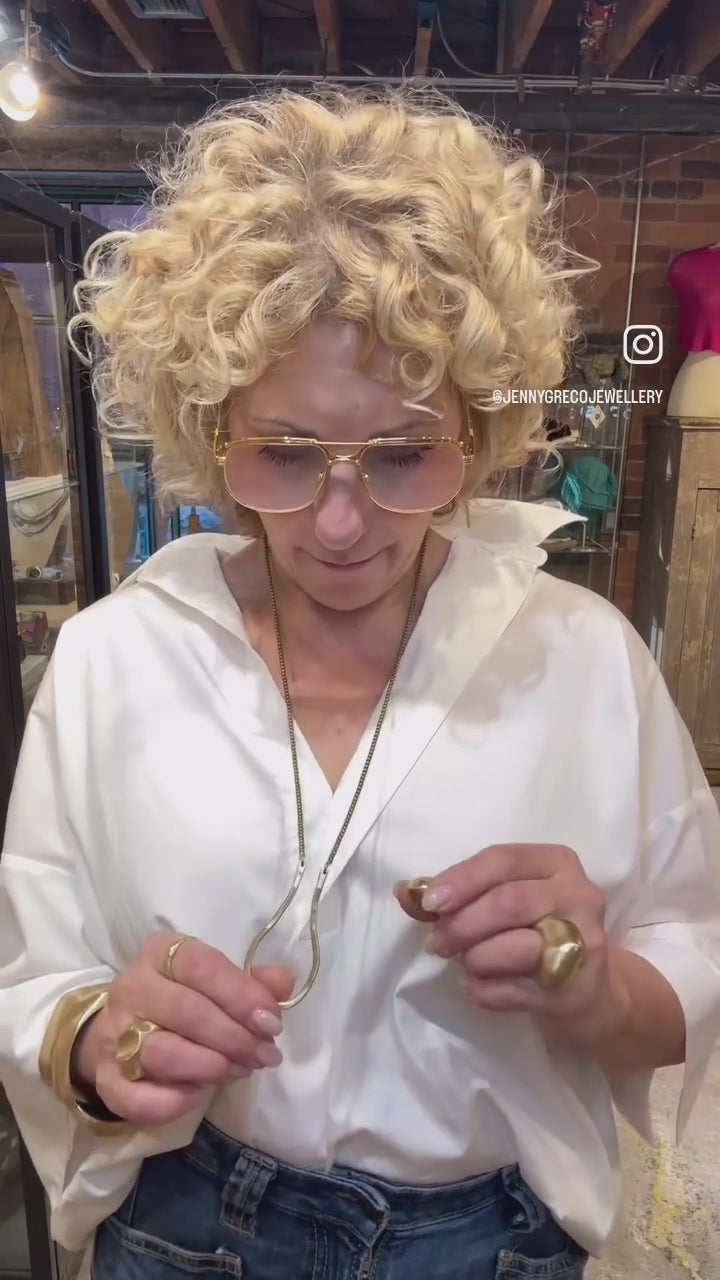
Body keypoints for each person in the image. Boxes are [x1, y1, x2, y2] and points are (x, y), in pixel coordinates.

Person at [1, 87, 719, 1280]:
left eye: (402, 452)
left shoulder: (582, 660)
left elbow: (688, 954)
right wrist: (97, 1044)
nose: (341, 522)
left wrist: (590, 985)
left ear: (480, 431)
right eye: (287, 452)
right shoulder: (112, 661)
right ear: (210, 424)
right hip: (183, 1227)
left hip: (492, 1242)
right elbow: (36, 973)